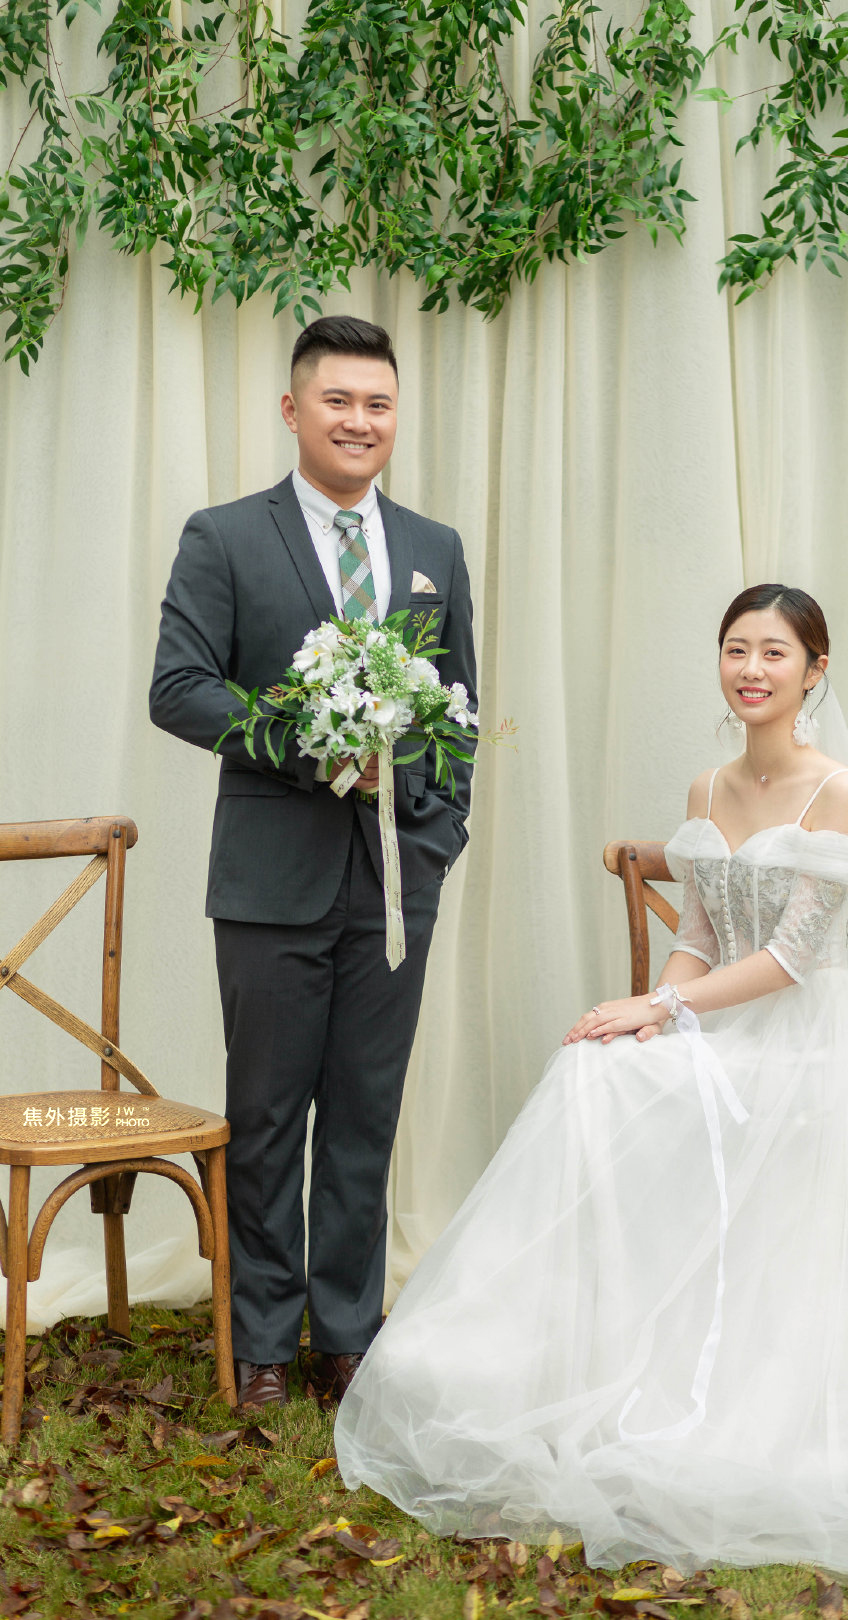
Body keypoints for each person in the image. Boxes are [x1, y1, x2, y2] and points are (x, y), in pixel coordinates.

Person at [334, 584, 848, 1606]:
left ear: (815, 671)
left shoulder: (841, 790)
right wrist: (647, 1015)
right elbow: (695, 935)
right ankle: (586, 1349)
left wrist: (666, 1010)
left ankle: (741, 1377)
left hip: (809, 1040)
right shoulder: (707, 785)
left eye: (775, 652)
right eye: (737, 649)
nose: (752, 670)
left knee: (648, 1058)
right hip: (716, 1024)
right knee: (592, 1068)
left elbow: (791, 957)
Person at [150, 315, 476, 1410]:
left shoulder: (434, 550)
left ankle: (345, 1335)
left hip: (394, 886)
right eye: (338, 401)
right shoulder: (224, 536)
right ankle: (261, 1344)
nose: (359, 421)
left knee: (365, 1117)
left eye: (378, 404)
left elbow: (459, 711)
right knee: (267, 1116)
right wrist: (309, 743)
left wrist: (436, 838)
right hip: (268, 881)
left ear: (396, 416)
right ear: (294, 410)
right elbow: (179, 688)